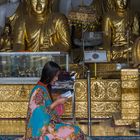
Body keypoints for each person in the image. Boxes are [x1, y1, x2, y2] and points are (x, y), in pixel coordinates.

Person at [25, 61, 86, 139]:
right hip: (41, 132)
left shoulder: (45, 88)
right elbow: (39, 115)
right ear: (49, 76)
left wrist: (63, 122)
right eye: (55, 76)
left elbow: (47, 110)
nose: (57, 79)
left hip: (49, 126)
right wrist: (57, 103)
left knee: (75, 128)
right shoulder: (38, 90)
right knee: (74, 132)